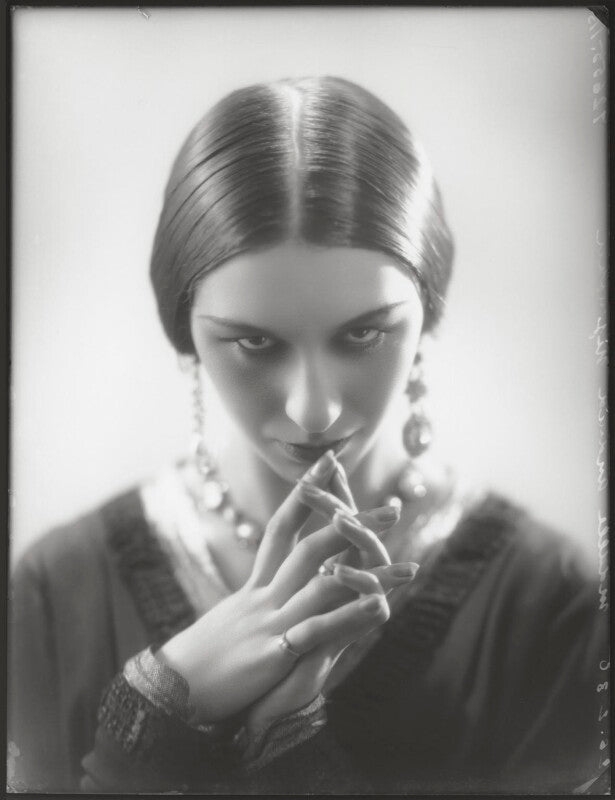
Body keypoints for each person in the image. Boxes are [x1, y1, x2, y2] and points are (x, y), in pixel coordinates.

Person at [8, 76, 608, 794]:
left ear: (427, 313)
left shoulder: (551, 604)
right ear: (185, 333)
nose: (315, 411)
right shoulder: (55, 594)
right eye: (254, 342)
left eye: (364, 334)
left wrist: (285, 737)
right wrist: (157, 706)